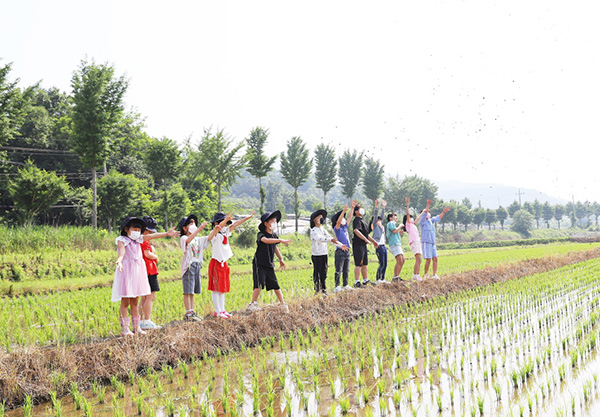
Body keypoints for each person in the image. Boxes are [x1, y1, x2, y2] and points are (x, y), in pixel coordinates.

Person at [112, 217, 179, 336]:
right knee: (125, 302)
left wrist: (167, 234)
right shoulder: (121, 240)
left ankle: (137, 327)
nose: (137, 231)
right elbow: (121, 251)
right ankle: (125, 329)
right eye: (134, 228)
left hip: (137, 272)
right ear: (127, 229)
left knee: (135, 302)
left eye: (139, 229)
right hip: (127, 273)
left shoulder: (139, 239)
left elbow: (153, 236)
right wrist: (119, 260)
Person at [209, 211, 255, 318]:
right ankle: (218, 311)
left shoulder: (225, 231)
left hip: (223, 262)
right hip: (216, 262)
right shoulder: (215, 232)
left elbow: (236, 224)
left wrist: (247, 218)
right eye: (223, 221)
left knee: (223, 288)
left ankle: (222, 309)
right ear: (217, 222)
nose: (226, 224)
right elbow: (215, 230)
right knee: (216, 288)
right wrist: (224, 220)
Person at [247, 211, 292, 312]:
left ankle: (283, 304)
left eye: (275, 221)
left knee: (275, 284)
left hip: (269, 263)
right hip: (259, 263)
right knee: (259, 284)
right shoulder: (261, 234)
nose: (274, 223)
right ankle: (252, 304)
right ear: (266, 223)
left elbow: (275, 248)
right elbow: (265, 240)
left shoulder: (274, 236)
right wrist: (280, 240)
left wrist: (281, 259)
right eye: (272, 221)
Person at [178, 214, 213, 322]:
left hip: (197, 265)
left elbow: (209, 238)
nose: (193, 225)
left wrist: (216, 228)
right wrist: (199, 229)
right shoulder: (184, 238)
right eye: (190, 223)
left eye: (194, 223)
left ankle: (191, 311)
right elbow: (188, 240)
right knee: (187, 291)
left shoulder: (198, 239)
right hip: (189, 266)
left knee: (192, 291)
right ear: (184, 228)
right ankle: (188, 312)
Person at [310, 209, 347, 295]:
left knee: (324, 272)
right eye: (318, 217)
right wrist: (331, 239)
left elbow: (331, 239)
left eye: (321, 217)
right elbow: (320, 239)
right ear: (314, 220)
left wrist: (341, 245)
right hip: (317, 255)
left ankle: (323, 289)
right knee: (317, 272)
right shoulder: (314, 231)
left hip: (324, 254)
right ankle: (317, 290)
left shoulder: (323, 229)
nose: (320, 218)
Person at [139, 216, 167, 329]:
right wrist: (156, 256)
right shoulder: (144, 240)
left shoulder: (139, 239)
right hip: (149, 270)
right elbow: (147, 254)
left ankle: (140, 321)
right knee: (151, 296)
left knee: (144, 297)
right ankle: (146, 321)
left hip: (143, 270)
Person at [420, 199, 451, 279]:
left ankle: (434, 274)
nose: (428, 214)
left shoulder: (431, 221)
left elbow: (438, 218)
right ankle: (426, 274)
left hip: (433, 242)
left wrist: (443, 212)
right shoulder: (422, 221)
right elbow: (424, 213)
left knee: (435, 258)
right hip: (426, 242)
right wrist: (428, 205)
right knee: (428, 259)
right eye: (427, 213)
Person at [331, 201, 356, 293]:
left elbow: (349, 217)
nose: (343, 219)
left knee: (346, 270)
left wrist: (352, 208)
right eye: (342, 218)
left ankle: (345, 285)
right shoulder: (337, 228)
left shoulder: (345, 227)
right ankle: (337, 286)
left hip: (347, 251)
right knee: (339, 269)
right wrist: (343, 211)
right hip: (340, 251)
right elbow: (338, 222)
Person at [352, 203, 378, 288]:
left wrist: (373, 241)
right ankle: (357, 282)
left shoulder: (362, 221)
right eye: (360, 208)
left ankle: (365, 280)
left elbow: (366, 234)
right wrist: (365, 239)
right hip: (358, 244)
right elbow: (356, 231)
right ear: (356, 211)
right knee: (359, 263)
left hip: (363, 245)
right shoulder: (356, 221)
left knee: (364, 263)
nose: (362, 210)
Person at [404, 197, 426, 281]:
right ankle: (415, 275)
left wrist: (423, 212)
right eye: (410, 217)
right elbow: (408, 214)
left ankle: (417, 274)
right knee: (418, 258)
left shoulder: (413, 224)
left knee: (419, 259)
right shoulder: (408, 224)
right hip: (414, 241)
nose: (412, 219)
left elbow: (418, 218)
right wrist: (407, 205)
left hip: (417, 241)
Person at [371, 199, 388, 283]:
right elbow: (375, 215)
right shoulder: (375, 224)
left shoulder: (381, 225)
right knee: (381, 263)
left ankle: (383, 278)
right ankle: (378, 279)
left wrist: (383, 208)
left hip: (383, 245)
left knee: (385, 264)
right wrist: (376, 206)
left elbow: (382, 216)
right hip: (378, 245)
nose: (381, 218)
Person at [386, 210, 405, 282]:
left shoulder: (392, 225)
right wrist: (400, 226)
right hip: (394, 244)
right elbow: (394, 231)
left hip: (397, 244)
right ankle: (395, 277)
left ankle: (397, 276)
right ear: (390, 218)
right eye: (394, 216)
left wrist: (399, 233)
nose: (396, 217)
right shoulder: (391, 223)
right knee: (399, 260)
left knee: (402, 260)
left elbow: (393, 234)